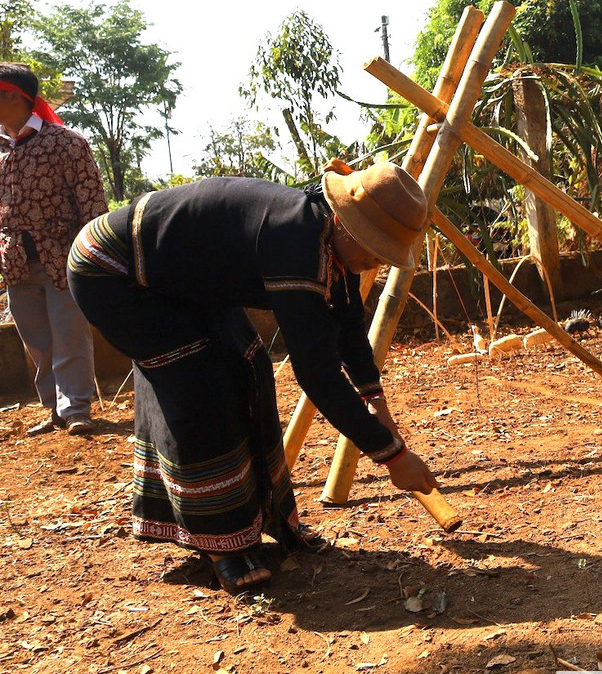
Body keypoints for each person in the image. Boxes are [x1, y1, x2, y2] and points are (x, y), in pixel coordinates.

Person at [68, 162, 440, 594]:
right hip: (112, 271)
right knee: (203, 384)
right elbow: (317, 374)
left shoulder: (328, 241)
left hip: (182, 277)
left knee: (249, 364)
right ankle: (220, 542)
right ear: (344, 221)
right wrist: (391, 456)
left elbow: (349, 326)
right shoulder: (295, 242)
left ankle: (259, 519)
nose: (373, 261)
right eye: (373, 250)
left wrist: (378, 406)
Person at [0, 63, 107, 438]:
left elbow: (93, 204)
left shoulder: (66, 142)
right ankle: (54, 410)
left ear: (14, 96)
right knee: (37, 341)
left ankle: (77, 408)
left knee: (70, 335)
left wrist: (96, 256)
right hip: (15, 264)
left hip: (63, 258)